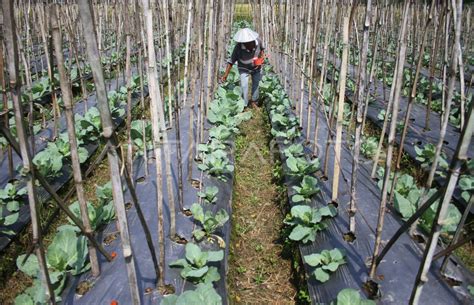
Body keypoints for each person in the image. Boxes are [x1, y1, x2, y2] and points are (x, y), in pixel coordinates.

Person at [220, 28, 265, 108]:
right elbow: (231, 61)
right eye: (245, 44)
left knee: (256, 84)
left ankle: (254, 102)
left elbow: (262, 50)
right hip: (243, 68)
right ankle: (244, 104)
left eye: (249, 43)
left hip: (256, 68)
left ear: (252, 40)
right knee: (244, 85)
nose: (248, 46)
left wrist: (261, 59)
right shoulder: (238, 47)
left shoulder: (258, 41)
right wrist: (225, 75)